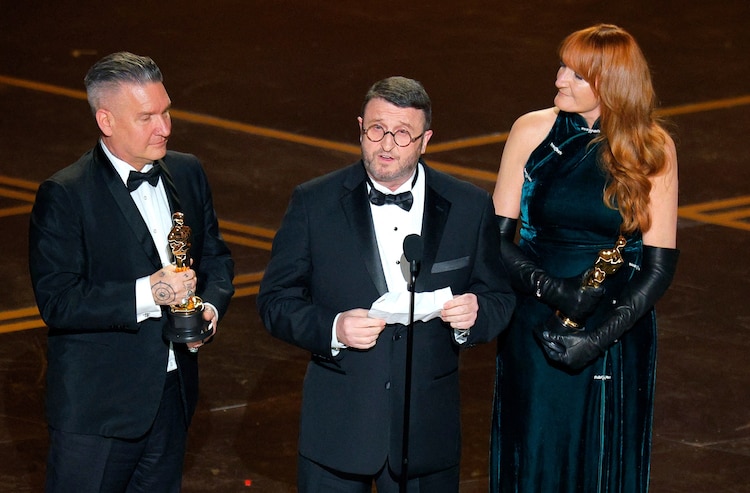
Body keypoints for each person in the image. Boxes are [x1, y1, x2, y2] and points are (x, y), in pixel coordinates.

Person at [257, 76, 515, 492]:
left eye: (402, 133)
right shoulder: (314, 203)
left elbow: (499, 297)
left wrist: (475, 313)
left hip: (426, 434)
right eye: (377, 129)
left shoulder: (469, 206)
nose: (387, 145)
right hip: (338, 429)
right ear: (360, 128)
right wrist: (334, 328)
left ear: (425, 140)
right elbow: (275, 301)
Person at [28, 52, 235, 492]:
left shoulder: (187, 171)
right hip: (98, 414)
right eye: (146, 118)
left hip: (173, 397)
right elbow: (58, 302)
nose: (164, 128)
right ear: (106, 120)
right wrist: (149, 292)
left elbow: (216, 257)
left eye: (165, 112)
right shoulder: (66, 194)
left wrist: (210, 310)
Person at [490, 24, 679, 492]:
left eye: (577, 74)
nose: (559, 79)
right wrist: (554, 291)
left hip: (615, 329)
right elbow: (493, 241)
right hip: (538, 324)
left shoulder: (654, 148)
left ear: (612, 83)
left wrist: (596, 340)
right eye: (562, 66)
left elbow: (657, 268)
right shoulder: (531, 130)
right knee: (534, 450)